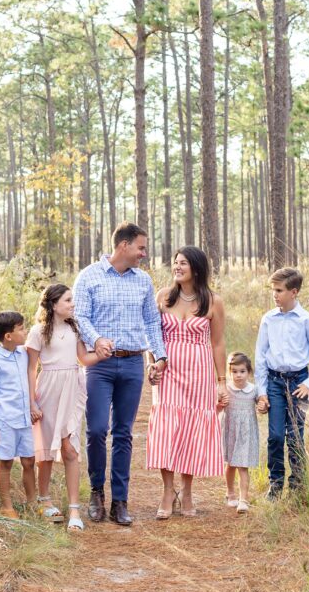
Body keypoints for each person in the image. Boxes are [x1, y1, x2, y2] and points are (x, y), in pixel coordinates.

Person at [73, 221, 167, 526]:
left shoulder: (143, 281)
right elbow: (80, 316)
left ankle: (120, 501)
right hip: (99, 364)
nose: (144, 253)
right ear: (123, 245)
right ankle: (96, 493)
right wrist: (97, 339)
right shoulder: (89, 277)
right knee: (97, 429)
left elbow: (152, 322)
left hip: (132, 363)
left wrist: (160, 356)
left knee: (124, 433)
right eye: (141, 247)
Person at [146, 246, 228, 519]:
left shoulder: (213, 301)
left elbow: (217, 344)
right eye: (175, 262)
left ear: (196, 267)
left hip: (199, 373)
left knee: (192, 430)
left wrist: (221, 382)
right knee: (167, 428)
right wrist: (152, 362)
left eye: (183, 263)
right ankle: (167, 491)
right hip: (168, 371)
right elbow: (153, 336)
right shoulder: (163, 297)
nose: (177, 267)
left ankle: (187, 491)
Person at [26, 283, 99, 531]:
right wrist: (31, 401)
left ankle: (74, 509)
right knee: (45, 449)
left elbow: (84, 359)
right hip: (48, 390)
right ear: (54, 304)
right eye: (68, 300)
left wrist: (103, 352)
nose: (72, 304)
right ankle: (44, 498)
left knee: (70, 448)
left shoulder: (73, 328)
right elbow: (31, 369)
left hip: (71, 388)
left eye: (72, 300)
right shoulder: (38, 332)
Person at [255, 267, 309, 499]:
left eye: (279, 290)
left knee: (296, 435)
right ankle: (275, 485)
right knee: (276, 435)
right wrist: (262, 392)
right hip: (275, 382)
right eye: (273, 290)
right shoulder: (269, 319)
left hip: (299, 383)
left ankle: (298, 485)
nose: (275, 295)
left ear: (294, 292)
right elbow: (260, 356)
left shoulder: (307, 320)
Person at [0, 310, 38, 519]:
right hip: (4, 420)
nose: (25, 331)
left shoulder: (23, 354)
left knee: (29, 461)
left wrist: (34, 406)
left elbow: (29, 382)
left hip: (24, 420)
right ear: (8, 335)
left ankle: (33, 502)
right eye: (21, 328)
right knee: (5, 462)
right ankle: (7, 507)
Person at [222, 352, 260, 513]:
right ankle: (230, 494)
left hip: (246, 432)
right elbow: (217, 406)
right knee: (231, 464)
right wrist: (220, 402)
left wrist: (263, 405)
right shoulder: (226, 390)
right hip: (230, 430)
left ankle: (243, 499)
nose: (238, 375)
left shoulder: (253, 390)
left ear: (249, 372)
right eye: (234, 371)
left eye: (242, 371)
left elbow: (262, 405)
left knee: (243, 465)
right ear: (229, 373)